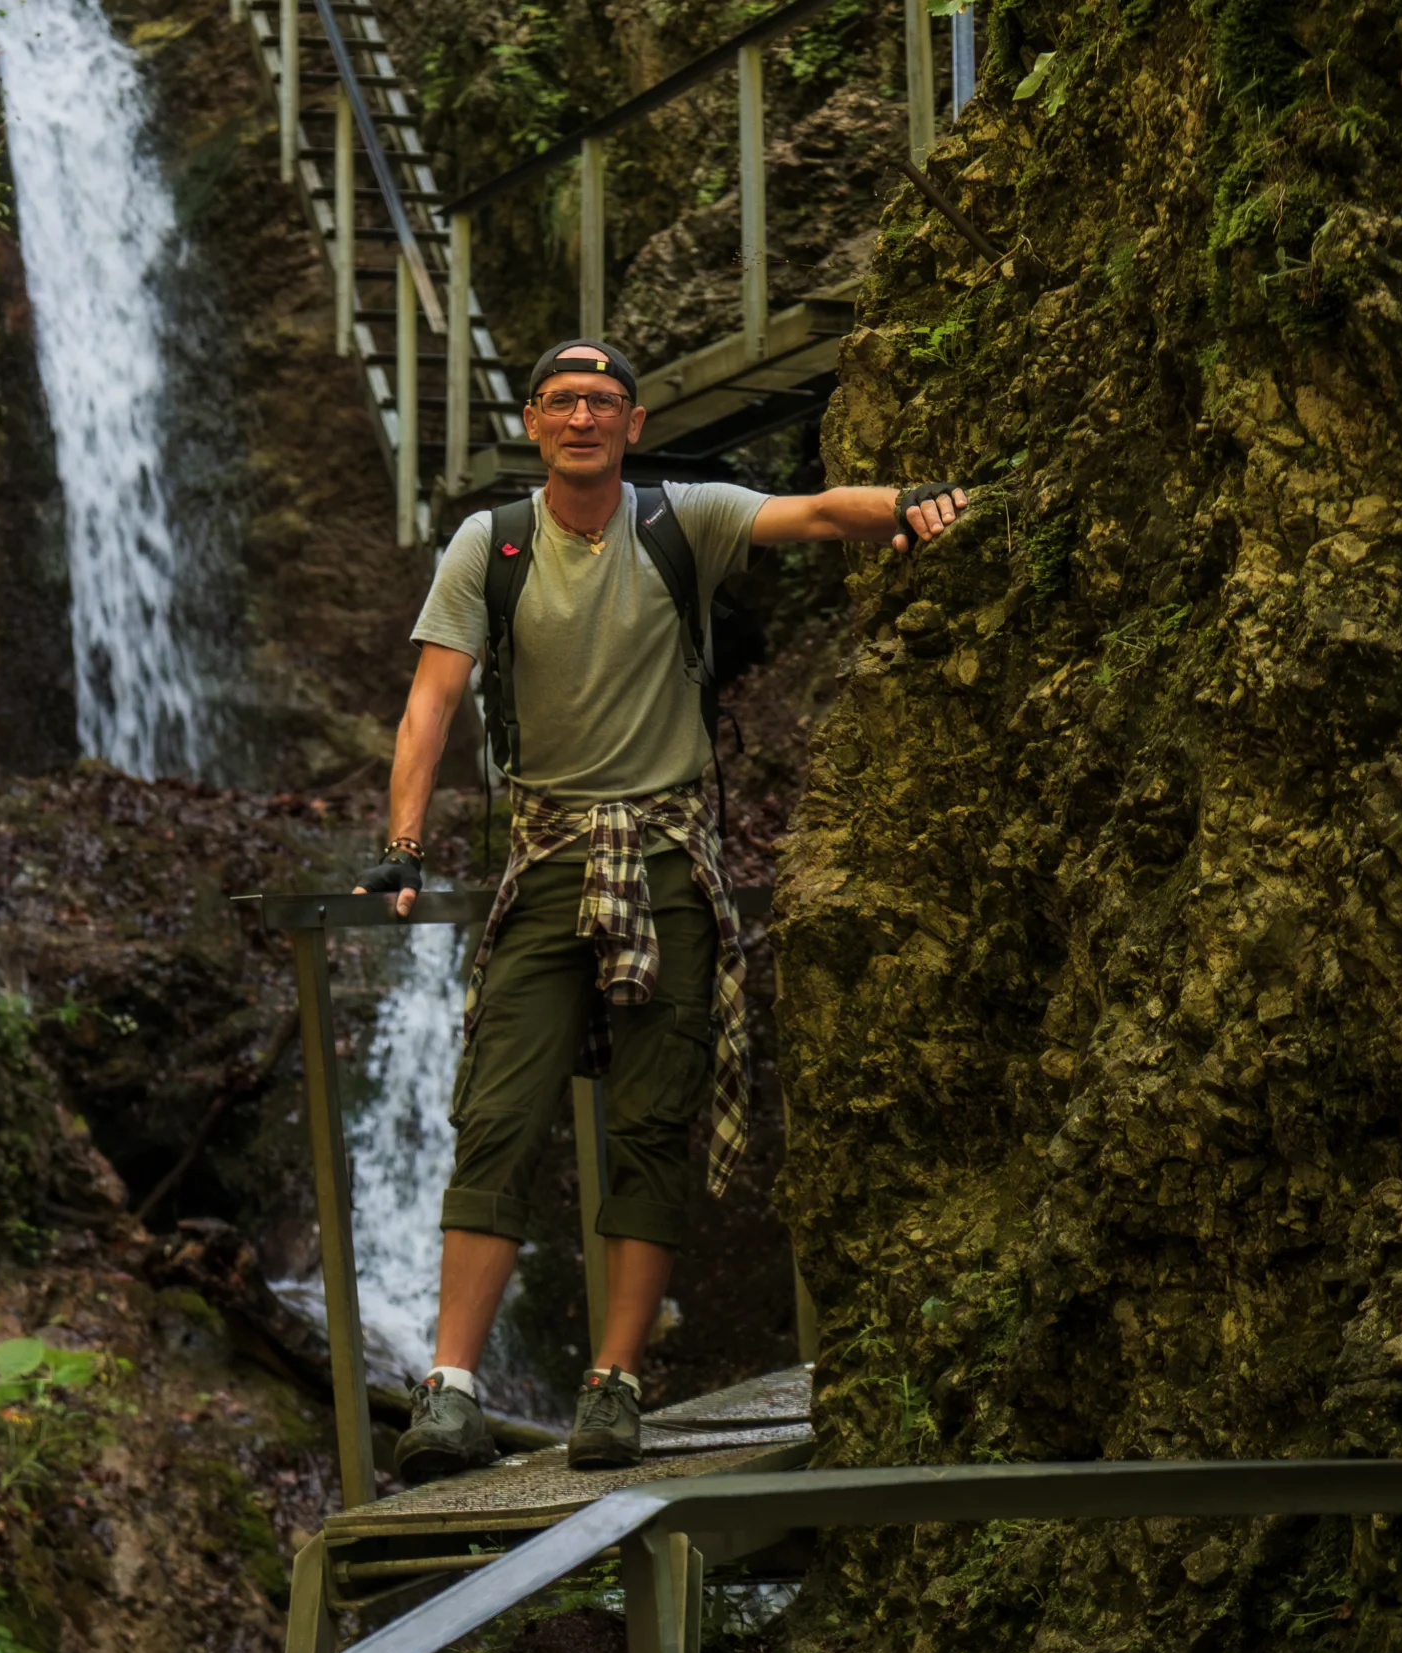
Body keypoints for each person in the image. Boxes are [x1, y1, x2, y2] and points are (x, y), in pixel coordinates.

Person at [355, 337, 965, 1482]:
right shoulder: (488, 545)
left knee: (650, 1120)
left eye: (602, 401)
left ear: (632, 425)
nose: (582, 417)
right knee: (497, 1111)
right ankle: (448, 1389)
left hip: (670, 863)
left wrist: (909, 502)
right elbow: (429, 704)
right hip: (546, 859)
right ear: (532, 422)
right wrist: (400, 848)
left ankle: (614, 1382)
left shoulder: (680, 519)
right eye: (561, 401)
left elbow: (815, 513)